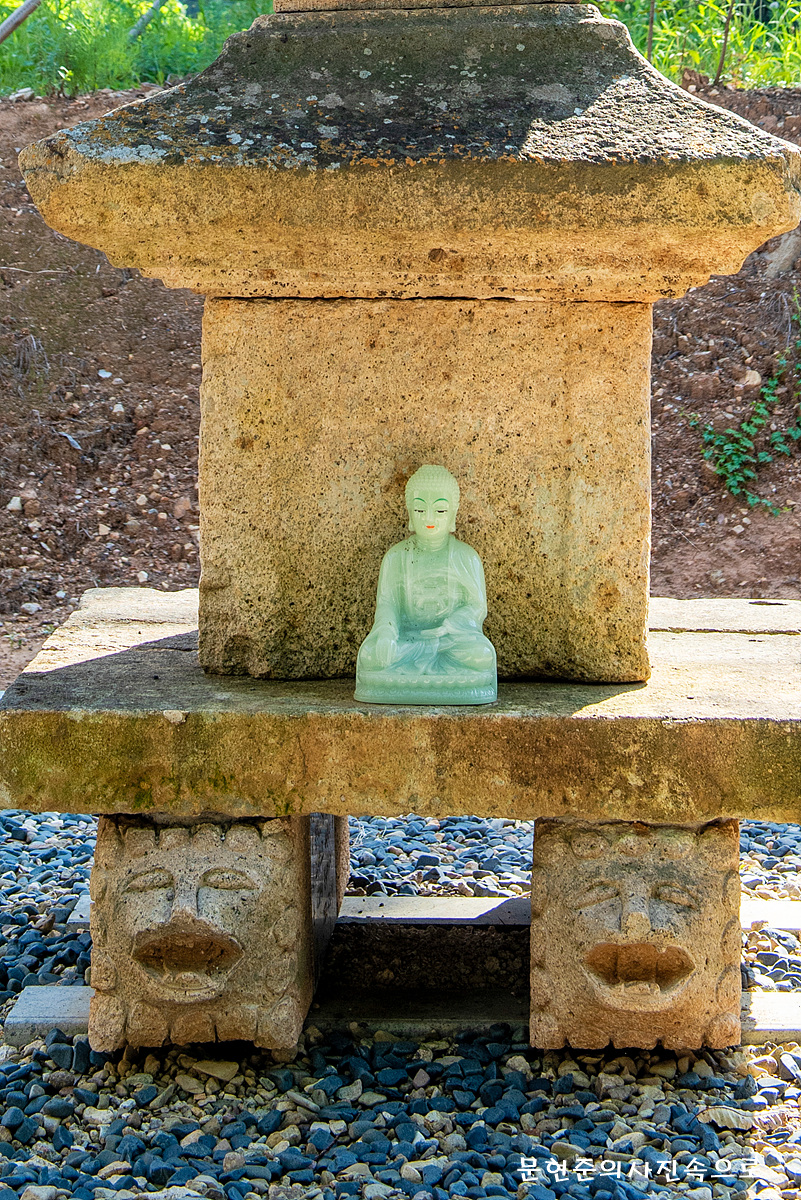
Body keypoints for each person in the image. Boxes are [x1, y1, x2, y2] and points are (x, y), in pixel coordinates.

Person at [355, 464, 497, 704]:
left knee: (481, 656)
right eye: (420, 509)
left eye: (440, 510)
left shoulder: (466, 557)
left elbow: (477, 607)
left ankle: (407, 680)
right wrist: (387, 632)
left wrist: (450, 625)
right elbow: (387, 604)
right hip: (408, 641)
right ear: (410, 513)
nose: (429, 518)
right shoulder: (396, 557)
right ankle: (435, 677)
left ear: (453, 514)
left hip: (450, 640)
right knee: (371, 656)